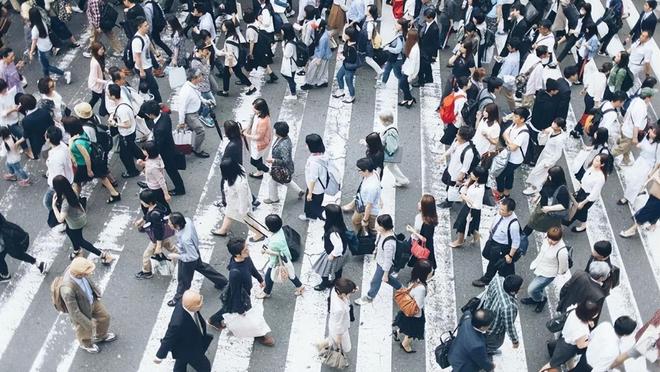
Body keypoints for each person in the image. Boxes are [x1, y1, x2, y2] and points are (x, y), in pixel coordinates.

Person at [208, 238, 275, 346]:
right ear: (237, 254)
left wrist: (260, 279)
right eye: (245, 250)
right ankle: (261, 336)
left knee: (227, 308)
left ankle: (213, 320)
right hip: (241, 296)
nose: (248, 250)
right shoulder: (235, 273)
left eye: (247, 247)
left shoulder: (245, 258)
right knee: (249, 315)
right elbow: (236, 293)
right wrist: (240, 309)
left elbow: (251, 267)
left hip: (244, 291)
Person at [168, 213, 228, 306]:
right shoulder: (187, 221)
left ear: (177, 225)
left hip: (188, 257)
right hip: (194, 250)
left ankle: (179, 298)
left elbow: (192, 257)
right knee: (202, 267)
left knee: (184, 279)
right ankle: (222, 281)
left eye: (170, 223)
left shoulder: (185, 239)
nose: (168, 224)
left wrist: (177, 256)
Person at [58, 257, 117, 353]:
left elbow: (88, 282)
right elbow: (74, 312)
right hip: (81, 310)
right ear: (78, 274)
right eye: (86, 273)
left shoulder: (77, 269)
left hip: (92, 301)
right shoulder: (67, 290)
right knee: (84, 330)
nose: (89, 274)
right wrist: (87, 324)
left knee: (105, 317)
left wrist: (96, 291)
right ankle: (86, 344)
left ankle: (101, 336)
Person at [51, 175, 114, 264]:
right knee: (69, 232)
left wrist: (54, 206)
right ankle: (77, 250)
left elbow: (60, 219)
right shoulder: (72, 190)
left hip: (75, 222)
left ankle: (102, 255)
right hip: (78, 216)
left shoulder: (65, 202)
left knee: (80, 240)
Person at [154, 290, 213, 371]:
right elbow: (169, 338)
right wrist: (159, 356)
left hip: (183, 345)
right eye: (199, 303)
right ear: (192, 307)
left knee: (181, 360)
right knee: (204, 367)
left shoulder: (184, 302)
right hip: (190, 348)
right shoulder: (177, 323)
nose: (202, 303)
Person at [65, 118, 121, 203]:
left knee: (77, 182)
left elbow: (86, 156)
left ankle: (75, 201)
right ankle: (114, 194)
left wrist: (89, 170)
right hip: (93, 160)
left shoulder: (77, 142)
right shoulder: (82, 133)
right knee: (102, 176)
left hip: (83, 165)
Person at [355, 214, 403, 305]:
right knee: (387, 279)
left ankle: (369, 297)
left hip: (383, 265)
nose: (375, 225)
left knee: (376, 281)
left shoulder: (389, 243)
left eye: (377, 224)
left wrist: (384, 273)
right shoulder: (383, 233)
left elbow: (388, 260)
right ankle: (401, 288)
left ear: (383, 227)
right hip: (380, 262)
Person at [540, 300, 600, 372]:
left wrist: (588, 321)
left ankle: (570, 367)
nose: (596, 314)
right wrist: (592, 340)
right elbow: (580, 345)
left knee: (569, 360)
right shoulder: (582, 330)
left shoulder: (575, 311)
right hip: (567, 348)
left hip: (564, 338)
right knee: (552, 364)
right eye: (595, 313)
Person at [472, 198, 520, 287]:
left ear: (510, 212)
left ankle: (487, 280)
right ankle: (508, 280)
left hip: (501, 247)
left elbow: (516, 242)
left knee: (493, 264)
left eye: (502, 210)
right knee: (496, 261)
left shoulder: (514, 225)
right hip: (493, 241)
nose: (500, 211)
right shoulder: (501, 214)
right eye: (500, 208)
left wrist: (510, 256)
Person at [212, 160, 265, 240]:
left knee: (248, 221)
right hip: (233, 203)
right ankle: (223, 230)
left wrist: (243, 211)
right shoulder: (239, 170)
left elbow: (243, 198)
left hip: (239, 206)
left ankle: (259, 234)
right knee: (229, 215)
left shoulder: (239, 183)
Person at [521, 226, 568, 313]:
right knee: (538, 288)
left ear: (560, 238)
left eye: (554, 240)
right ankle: (536, 299)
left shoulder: (562, 251)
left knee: (531, 290)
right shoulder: (547, 238)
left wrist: (556, 272)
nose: (550, 241)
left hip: (548, 274)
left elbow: (563, 268)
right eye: (549, 238)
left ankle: (541, 299)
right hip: (539, 267)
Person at [142, 101, 185, 195]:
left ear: (150, 114)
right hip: (169, 145)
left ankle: (180, 189)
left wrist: (149, 151)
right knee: (170, 169)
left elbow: (158, 145)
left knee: (171, 170)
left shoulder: (160, 129)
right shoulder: (164, 115)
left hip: (166, 152)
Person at [257, 214, 305, 298]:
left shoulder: (275, 241)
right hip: (284, 259)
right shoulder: (280, 231)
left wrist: (267, 251)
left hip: (277, 261)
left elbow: (278, 254)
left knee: (270, 275)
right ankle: (300, 286)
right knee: (290, 273)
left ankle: (266, 292)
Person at [393, 260, 432, 352]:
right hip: (414, 315)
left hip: (406, 310)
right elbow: (419, 305)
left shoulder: (414, 280)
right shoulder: (421, 288)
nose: (431, 272)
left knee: (406, 326)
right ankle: (405, 345)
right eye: (430, 271)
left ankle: (398, 333)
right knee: (412, 332)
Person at [572, 316, 638, 371]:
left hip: (585, 357)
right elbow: (599, 369)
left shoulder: (605, 325)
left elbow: (591, 336)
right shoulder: (614, 350)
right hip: (589, 368)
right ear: (626, 334)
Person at [565, 153, 610, 233]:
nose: (594, 161)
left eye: (597, 161)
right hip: (582, 191)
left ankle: (582, 226)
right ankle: (582, 224)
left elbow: (594, 193)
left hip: (587, 197)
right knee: (581, 210)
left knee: (580, 210)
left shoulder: (600, 178)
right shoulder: (592, 167)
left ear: (602, 164)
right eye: (595, 159)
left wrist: (583, 202)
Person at [107, 84, 145, 178]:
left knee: (124, 155)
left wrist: (115, 124)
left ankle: (132, 171)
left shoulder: (122, 110)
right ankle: (144, 159)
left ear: (113, 96)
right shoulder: (122, 101)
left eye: (108, 94)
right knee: (132, 147)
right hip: (130, 133)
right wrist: (112, 116)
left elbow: (127, 124)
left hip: (126, 134)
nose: (107, 95)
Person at [523, 118, 567, 195]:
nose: (553, 124)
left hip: (548, 159)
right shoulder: (551, 131)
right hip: (544, 154)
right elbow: (541, 142)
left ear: (559, 127)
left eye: (555, 124)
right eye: (553, 122)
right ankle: (535, 186)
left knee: (538, 173)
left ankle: (534, 188)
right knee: (539, 172)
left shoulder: (559, 139)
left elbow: (558, 154)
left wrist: (549, 163)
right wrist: (544, 133)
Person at [480, 274, 522, 355]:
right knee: (494, 343)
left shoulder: (498, 280)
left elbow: (488, 293)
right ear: (513, 291)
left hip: (485, 313)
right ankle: (488, 350)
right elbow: (509, 326)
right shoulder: (509, 307)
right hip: (494, 328)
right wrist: (515, 340)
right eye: (520, 287)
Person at [618, 124, 660, 205]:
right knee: (629, 178)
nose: (650, 132)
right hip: (640, 161)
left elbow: (658, 162)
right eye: (651, 130)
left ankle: (626, 198)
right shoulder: (647, 137)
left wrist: (651, 173)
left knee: (635, 182)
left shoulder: (658, 146)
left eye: (653, 132)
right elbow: (640, 145)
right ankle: (638, 192)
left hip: (647, 166)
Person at [264, 121, 304, 204]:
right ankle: (299, 191)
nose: (273, 130)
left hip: (281, 168)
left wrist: (273, 160)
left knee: (272, 182)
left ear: (278, 132)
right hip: (284, 169)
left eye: (274, 129)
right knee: (286, 180)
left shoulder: (283, 145)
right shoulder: (283, 138)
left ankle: (274, 199)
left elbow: (286, 160)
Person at [28, 8, 71, 82]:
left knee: (46, 66)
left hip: (42, 49)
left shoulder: (35, 29)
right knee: (44, 65)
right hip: (48, 46)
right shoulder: (42, 22)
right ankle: (46, 78)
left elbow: (34, 42)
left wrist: (31, 52)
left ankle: (64, 73)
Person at [495, 107, 530, 200]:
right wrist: (510, 141)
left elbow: (513, 147)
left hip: (515, 159)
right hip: (509, 156)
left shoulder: (523, 133)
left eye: (516, 116)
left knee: (500, 175)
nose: (513, 118)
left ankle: (501, 193)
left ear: (522, 119)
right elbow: (504, 134)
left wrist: (509, 142)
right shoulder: (514, 125)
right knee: (509, 174)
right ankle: (507, 192)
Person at [613, 87, 654, 165]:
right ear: (648, 97)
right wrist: (635, 138)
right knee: (622, 148)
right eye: (651, 96)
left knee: (627, 146)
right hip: (629, 132)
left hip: (626, 127)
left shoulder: (636, 100)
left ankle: (626, 160)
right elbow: (636, 125)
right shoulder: (641, 108)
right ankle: (607, 157)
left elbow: (628, 112)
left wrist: (623, 123)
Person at [0, 213, 47, 282]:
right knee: (12, 254)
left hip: (6, 239)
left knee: (15, 253)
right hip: (7, 233)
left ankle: (5, 275)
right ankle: (38, 264)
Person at [313, 204, 350, 290]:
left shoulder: (333, 232)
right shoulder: (340, 223)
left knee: (324, 270)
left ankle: (324, 284)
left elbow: (338, 246)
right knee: (338, 269)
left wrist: (332, 255)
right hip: (343, 253)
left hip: (334, 254)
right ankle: (337, 281)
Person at [315, 278, 357, 354]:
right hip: (340, 329)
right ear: (344, 294)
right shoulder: (340, 309)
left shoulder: (335, 290)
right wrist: (339, 337)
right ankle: (339, 357)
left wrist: (352, 288)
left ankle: (322, 346)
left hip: (332, 322)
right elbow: (339, 325)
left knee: (332, 339)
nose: (350, 294)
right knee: (345, 346)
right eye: (350, 293)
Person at [176, 68, 211, 159]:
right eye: (199, 76)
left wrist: (205, 102)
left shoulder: (193, 86)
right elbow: (182, 108)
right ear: (194, 78)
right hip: (190, 115)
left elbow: (198, 96)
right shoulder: (186, 91)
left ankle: (184, 146)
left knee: (189, 130)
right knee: (201, 131)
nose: (202, 77)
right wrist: (181, 122)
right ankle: (197, 150)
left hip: (194, 113)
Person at [440, 126, 477, 208]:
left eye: (458, 134)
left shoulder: (468, 152)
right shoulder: (457, 141)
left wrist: (459, 179)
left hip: (456, 173)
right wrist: (443, 156)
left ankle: (448, 202)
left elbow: (465, 168)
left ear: (463, 137)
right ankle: (453, 199)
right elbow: (452, 148)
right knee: (450, 186)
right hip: (451, 168)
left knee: (452, 188)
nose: (456, 135)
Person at [218, 19, 257, 97]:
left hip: (232, 62)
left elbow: (230, 55)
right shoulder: (234, 35)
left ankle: (225, 92)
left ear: (227, 28)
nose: (222, 26)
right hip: (236, 59)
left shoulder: (229, 39)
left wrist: (230, 67)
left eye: (223, 25)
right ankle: (251, 87)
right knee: (238, 74)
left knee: (228, 75)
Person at [450, 167, 487, 248]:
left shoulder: (479, 190)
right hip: (470, 208)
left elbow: (474, 204)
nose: (471, 174)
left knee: (462, 224)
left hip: (471, 209)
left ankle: (460, 241)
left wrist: (463, 196)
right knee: (472, 225)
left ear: (478, 177)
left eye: (473, 174)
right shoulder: (477, 182)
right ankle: (476, 235)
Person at [621, 166, 660, 237]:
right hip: (655, 194)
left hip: (658, 198)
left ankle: (632, 229)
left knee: (645, 212)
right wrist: (653, 175)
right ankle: (653, 225)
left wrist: (656, 178)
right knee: (653, 211)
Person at [346, 157, 381, 235]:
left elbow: (369, 206)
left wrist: (365, 219)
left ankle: (365, 235)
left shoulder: (371, 187)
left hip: (369, 211)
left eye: (360, 170)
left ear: (367, 170)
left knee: (372, 228)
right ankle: (363, 232)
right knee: (356, 221)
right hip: (363, 205)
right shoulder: (374, 173)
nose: (358, 172)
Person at [244, 98, 272, 179]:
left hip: (260, 143)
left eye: (255, 108)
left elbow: (259, 137)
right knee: (258, 158)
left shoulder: (263, 121)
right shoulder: (260, 114)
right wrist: (247, 129)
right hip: (257, 142)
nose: (253, 110)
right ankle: (259, 173)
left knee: (254, 161)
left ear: (260, 109)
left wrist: (246, 134)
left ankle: (269, 171)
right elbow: (253, 124)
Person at [18, 93, 53, 159]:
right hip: (51, 138)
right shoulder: (44, 111)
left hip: (40, 144)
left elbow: (26, 134)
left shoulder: (25, 120)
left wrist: (17, 143)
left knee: (47, 160)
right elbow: (52, 124)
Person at [379, 112, 409, 186]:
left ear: (386, 122)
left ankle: (375, 182)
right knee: (392, 167)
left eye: (382, 120)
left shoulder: (390, 132)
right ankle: (402, 180)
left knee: (378, 168)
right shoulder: (392, 128)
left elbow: (391, 147)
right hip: (390, 155)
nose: (381, 122)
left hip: (387, 154)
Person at [301, 134, 327, 221]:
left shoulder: (314, 162)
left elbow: (313, 179)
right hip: (322, 185)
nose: (306, 145)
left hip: (315, 188)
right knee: (317, 202)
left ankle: (310, 216)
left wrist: (310, 193)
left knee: (311, 203)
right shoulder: (323, 155)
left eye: (307, 144)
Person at [302, 20, 333, 89]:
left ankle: (309, 83)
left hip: (320, 56)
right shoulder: (325, 33)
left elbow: (322, 50)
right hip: (325, 55)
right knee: (323, 70)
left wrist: (319, 59)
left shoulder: (323, 38)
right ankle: (323, 82)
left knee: (312, 69)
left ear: (320, 27)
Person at [332, 26, 359, 104]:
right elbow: (345, 51)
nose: (344, 35)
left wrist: (343, 57)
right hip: (345, 64)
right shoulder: (348, 42)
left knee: (349, 82)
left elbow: (352, 59)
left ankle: (352, 96)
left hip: (349, 67)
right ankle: (341, 90)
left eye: (346, 34)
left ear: (350, 36)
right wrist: (342, 54)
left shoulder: (353, 48)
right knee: (339, 76)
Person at [416, 7, 439, 86]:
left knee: (421, 66)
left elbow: (436, 43)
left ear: (431, 18)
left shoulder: (434, 28)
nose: (424, 18)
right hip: (423, 48)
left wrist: (434, 55)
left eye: (426, 17)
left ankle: (421, 82)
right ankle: (429, 78)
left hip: (427, 51)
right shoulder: (426, 23)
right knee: (426, 65)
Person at [399, 27, 419, 108]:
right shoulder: (412, 44)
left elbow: (414, 63)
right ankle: (407, 98)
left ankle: (409, 98)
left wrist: (411, 75)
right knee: (404, 84)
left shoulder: (414, 49)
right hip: (407, 68)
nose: (406, 35)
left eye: (408, 35)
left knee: (402, 84)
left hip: (410, 70)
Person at [280, 24, 299, 99]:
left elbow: (286, 55)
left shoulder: (289, 45)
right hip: (293, 63)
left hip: (290, 65)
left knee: (289, 78)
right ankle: (293, 86)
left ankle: (293, 94)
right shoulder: (294, 38)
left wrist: (282, 46)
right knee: (291, 78)